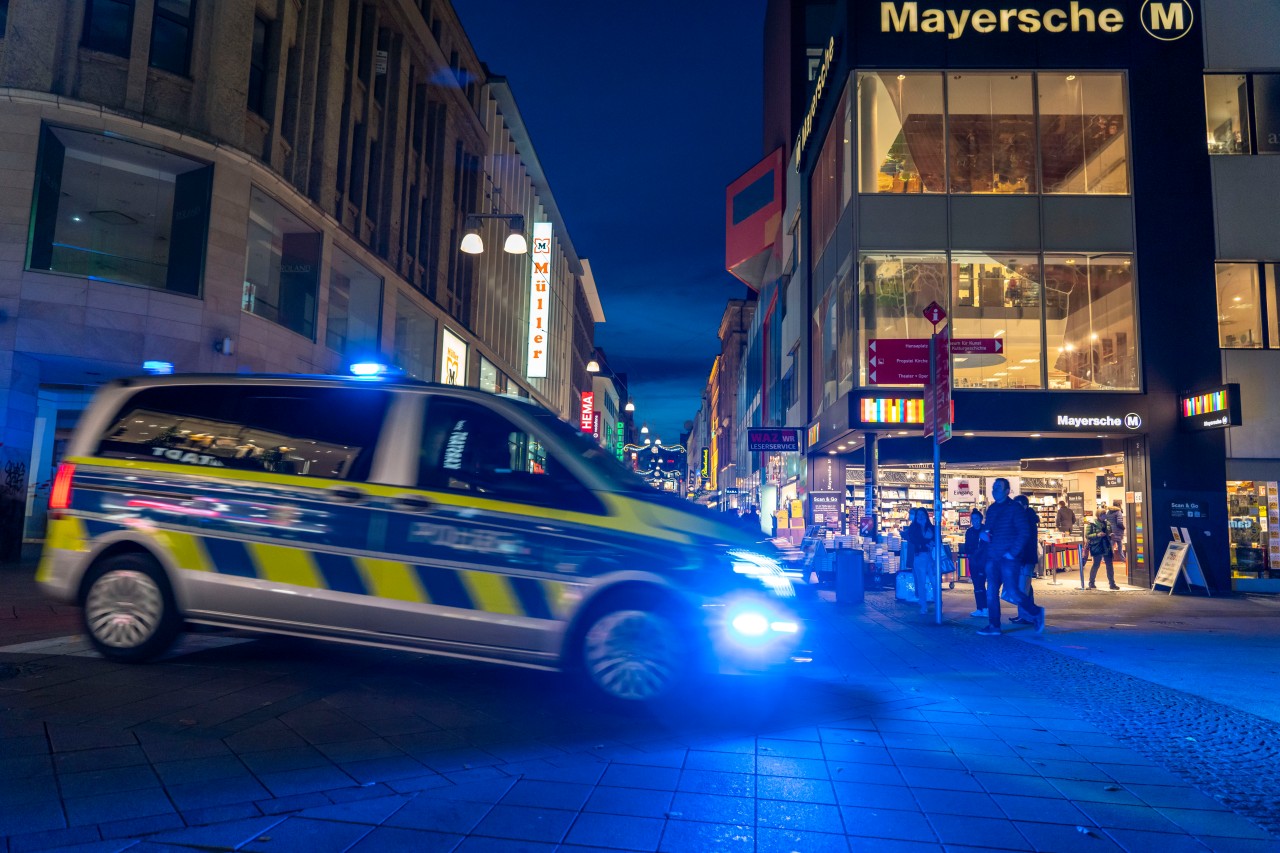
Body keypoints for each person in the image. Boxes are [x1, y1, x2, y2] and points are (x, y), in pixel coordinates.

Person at [977, 478, 1045, 636]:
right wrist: (983, 533)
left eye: (998, 488)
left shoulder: (1015, 508)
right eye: (993, 488)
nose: (995, 490)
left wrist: (1012, 552)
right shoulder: (992, 509)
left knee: (1013, 591)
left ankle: (1036, 612)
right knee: (991, 592)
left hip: (1008, 559)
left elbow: (1024, 532)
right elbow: (987, 528)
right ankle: (994, 625)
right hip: (993, 557)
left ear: (1007, 491)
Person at [1009, 494, 1041, 625]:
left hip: (1026, 558)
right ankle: (1024, 615)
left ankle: (1031, 615)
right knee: (1026, 587)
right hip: (1024, 557)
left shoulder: (1027, 520)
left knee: (1023, 588)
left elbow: (1025, 541)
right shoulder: (1025, 518)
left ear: (1025, 506)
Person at [905, 507, 937, 615]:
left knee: (935, 581)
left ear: (926, 516)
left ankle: (938, 603)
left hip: (931, 557)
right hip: (919, 556)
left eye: (923, 515)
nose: (920, 517)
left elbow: (937, 538)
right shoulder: (913, 527)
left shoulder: (931, 527)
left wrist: (932, 542)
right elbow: (914, 539)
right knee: (921, 582)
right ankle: (923, 605)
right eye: (918, 515)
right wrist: (926, 543)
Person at [964, 509, 988, 618]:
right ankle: (979, 608)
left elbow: (987, 546)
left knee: (981, 584)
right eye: (973, 519)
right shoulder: (969, 532)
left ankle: (986, 608)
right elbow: (967, 546)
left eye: (977, 518)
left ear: (981, 519)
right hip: (973, 560)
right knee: (976, 585)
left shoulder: (985, 530)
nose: (975, 521)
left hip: (983, 561)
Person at [1085, 511, 1118, 590]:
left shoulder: (1107, 523)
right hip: (1097, 545)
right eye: (1102, 515)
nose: (1104, 516)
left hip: (1106, 545)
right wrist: (1097, 535)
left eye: (1105, 514)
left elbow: (1109, 533)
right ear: (1098, 516)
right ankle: (1091, 582)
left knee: (1109, 565)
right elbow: (1087, 535)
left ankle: (1112, 583)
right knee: (1096, 564)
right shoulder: (1092, 524)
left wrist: (1111, 535)